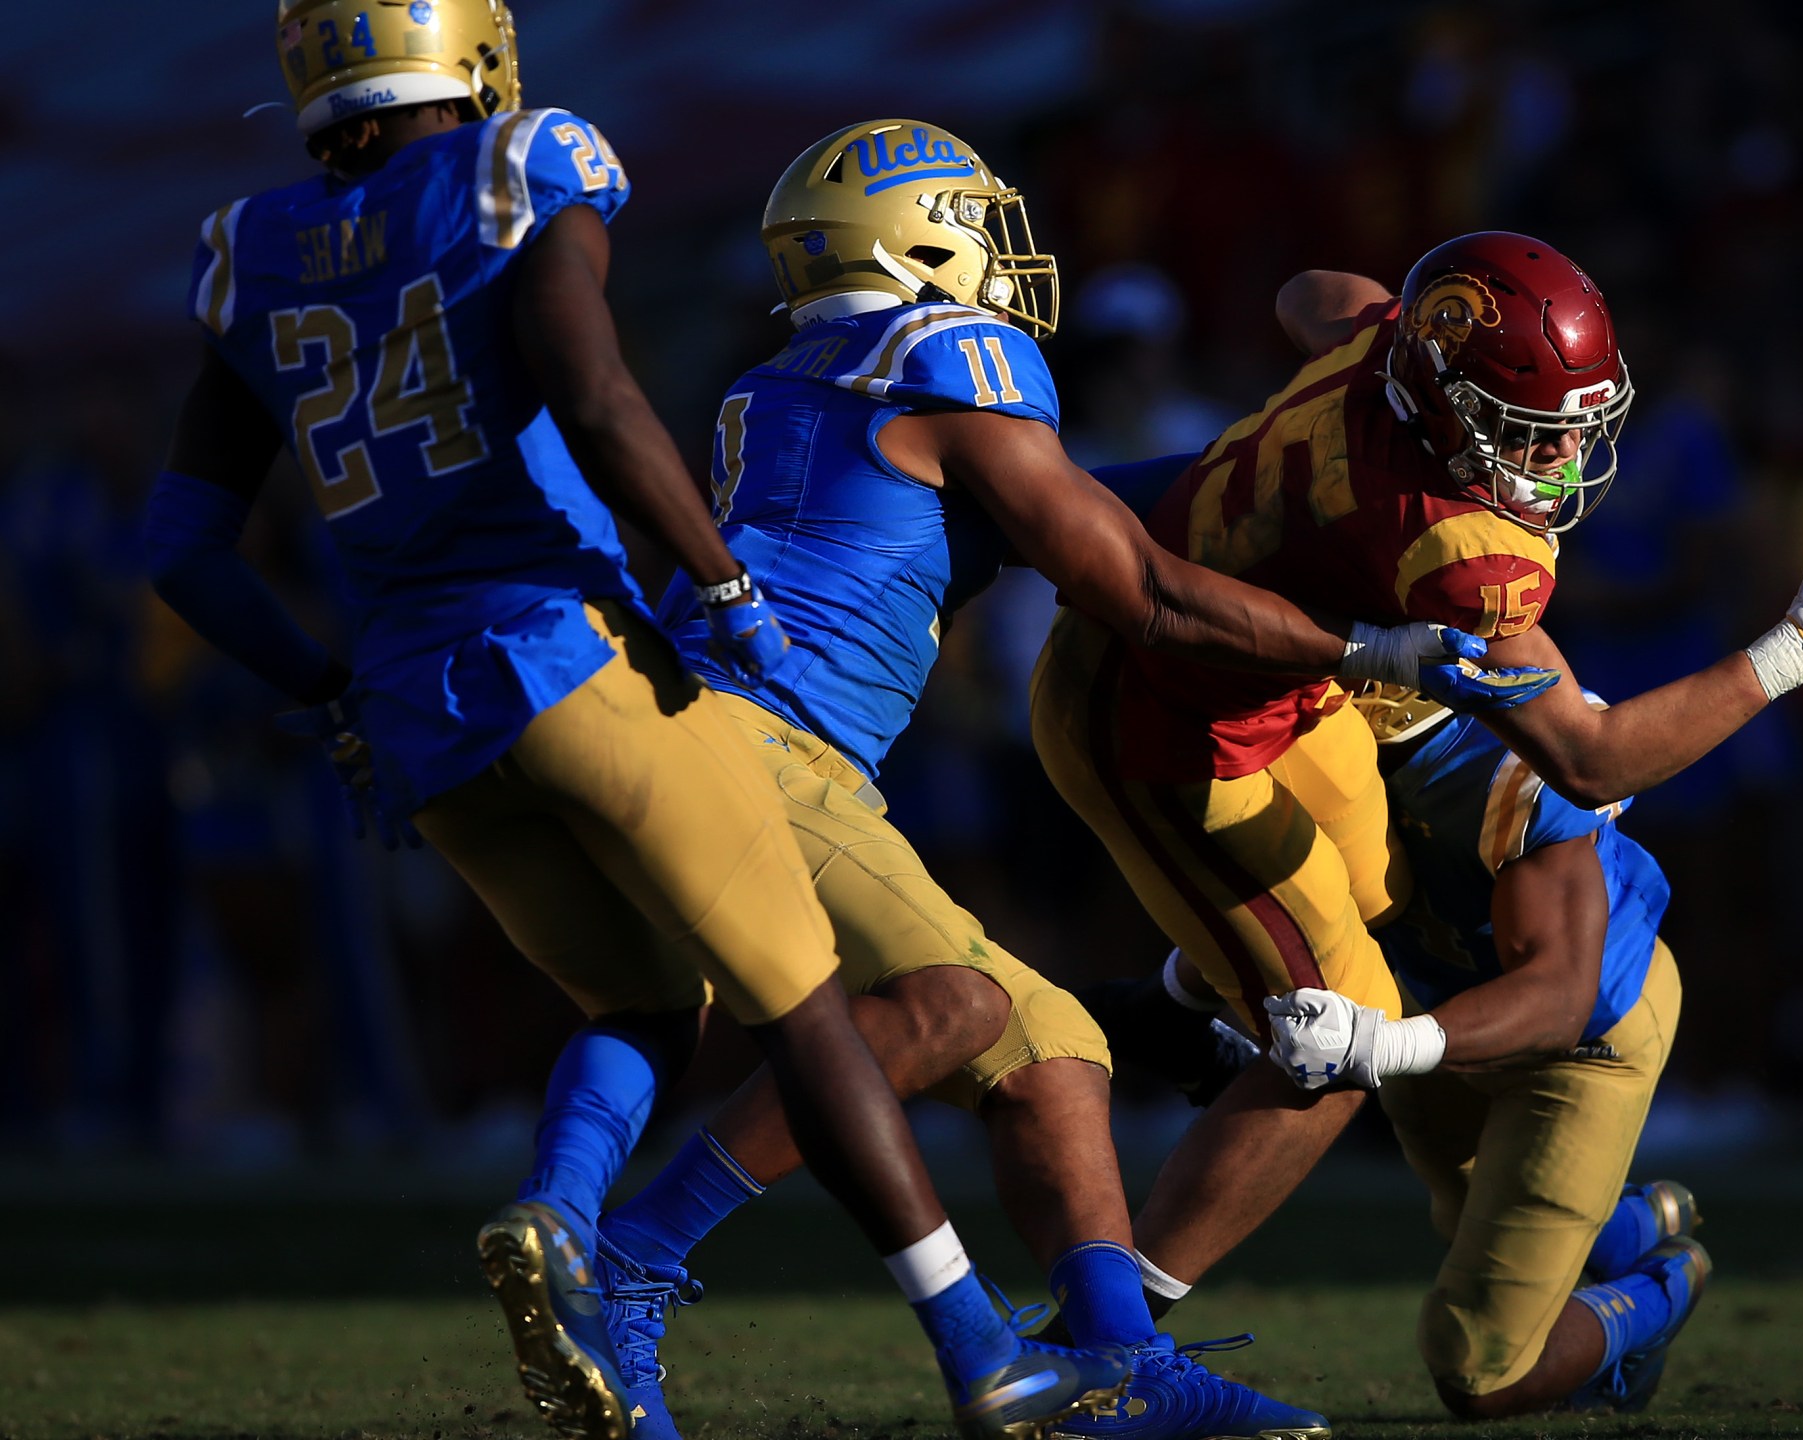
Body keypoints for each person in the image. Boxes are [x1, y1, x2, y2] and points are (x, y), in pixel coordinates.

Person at [150, 12, 1129, 1438]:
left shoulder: (249, 248)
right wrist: (722, 583)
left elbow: (184, 552)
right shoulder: (518, 168)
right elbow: (598, 399)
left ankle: (560, 1213)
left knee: (647, 1008)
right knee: (808, 1015)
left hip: (423, 720)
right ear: (467, 55)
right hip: (570, 654)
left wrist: (323, 693)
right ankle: (981, 1350)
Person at [587, 119, 1550, 1440]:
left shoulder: (789, 374)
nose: (1006, 255)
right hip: (772, 751)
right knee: (945, 1004)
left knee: (1047, 1044)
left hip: (713, 729)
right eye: (977, 223)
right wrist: (1370, 641)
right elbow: (1136, 584)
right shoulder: (956, 349)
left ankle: (1115, 1358)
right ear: (919, 241)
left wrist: (1284, 501)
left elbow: (1073, 505)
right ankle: (630, 1262)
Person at [1028, 237, 1803, 1313]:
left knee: (1375, 897)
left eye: (1576, 423)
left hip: (1272, 694)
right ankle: (1107, 1338)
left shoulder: (1377, 351)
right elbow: (1592, 762)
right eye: (1525, 429)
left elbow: (1310, 289)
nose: (1559, 455)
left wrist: (1403, 327)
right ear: (1440, 395)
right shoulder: (1463, 549)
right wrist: (1797, 648)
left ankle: (1180, 1009)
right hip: (1168, 719)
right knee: (1333, 1043)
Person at [1102, 682, 1705, 1416]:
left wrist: (1381, 1043)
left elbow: (1556, 999)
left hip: (1579, 1043)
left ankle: (1667, 1284)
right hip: (1437, 1006)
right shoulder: (1320, 727)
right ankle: (1630, 1222)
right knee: (1473, 1215)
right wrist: (1177, 994)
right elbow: (1308, 894)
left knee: (1482, 1370)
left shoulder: (1508, 769)